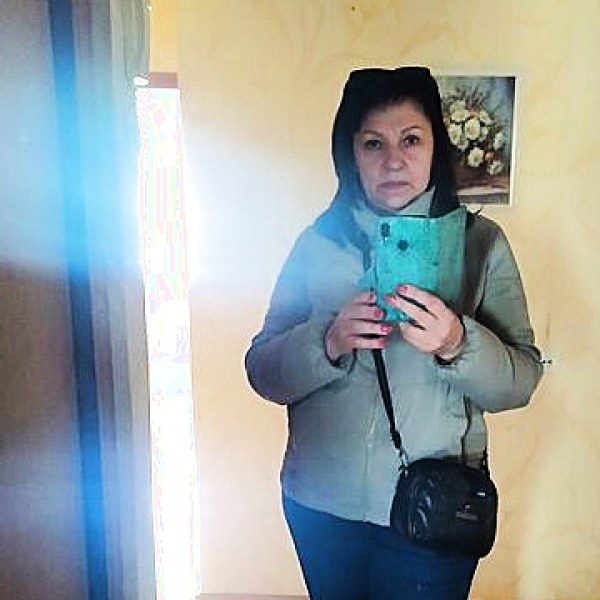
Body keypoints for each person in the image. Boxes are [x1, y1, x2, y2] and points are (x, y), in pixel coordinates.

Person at [245, 66, 542, 600]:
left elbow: (520, 382)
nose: (394, 160)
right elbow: (262, 371)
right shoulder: (317, 243)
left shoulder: (481, 244)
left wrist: (457, 343)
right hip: (322, 507)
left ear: (435, 146)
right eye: (373, 143)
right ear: (350, 154)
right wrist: (328, 342)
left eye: (411, 139)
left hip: (435, 507)